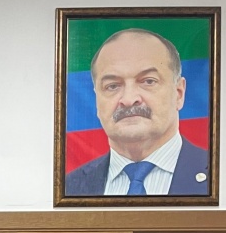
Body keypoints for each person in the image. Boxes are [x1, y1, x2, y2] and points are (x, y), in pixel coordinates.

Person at [65, 28, 209, 197]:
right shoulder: (69, 187)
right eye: (112, 86)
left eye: (148, 81)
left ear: (179, 94)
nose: (129, 99)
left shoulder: (219, 175)